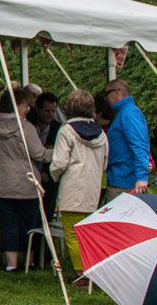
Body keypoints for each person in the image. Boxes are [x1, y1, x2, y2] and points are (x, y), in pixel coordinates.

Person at [49, 90, 108, 286]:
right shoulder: (101, 133)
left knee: (73, 235)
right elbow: (105, 161)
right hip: (93, 188)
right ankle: (91, 270)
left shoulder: (66, 131)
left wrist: (54, 177)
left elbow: (59, 162)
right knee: (88, 233)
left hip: (73, 187)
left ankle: (82, 273)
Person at [0, 87, 51, 272]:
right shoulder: (25, 127)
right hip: (25, 183)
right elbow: (39, 154)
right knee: (27, 225)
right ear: (16, 106)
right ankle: (29, 261)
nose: (28, 109)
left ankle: (11, 264)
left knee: (7, 224)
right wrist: (56, 152)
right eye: (25, 105)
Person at [102, 79, 152, 201]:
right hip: (121, 179)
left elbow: (139, 145)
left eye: (106, 94)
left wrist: (141, 177)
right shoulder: (124, 113)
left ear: (117, 92)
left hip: (125, 183)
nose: (106, 98)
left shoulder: (129, 114)